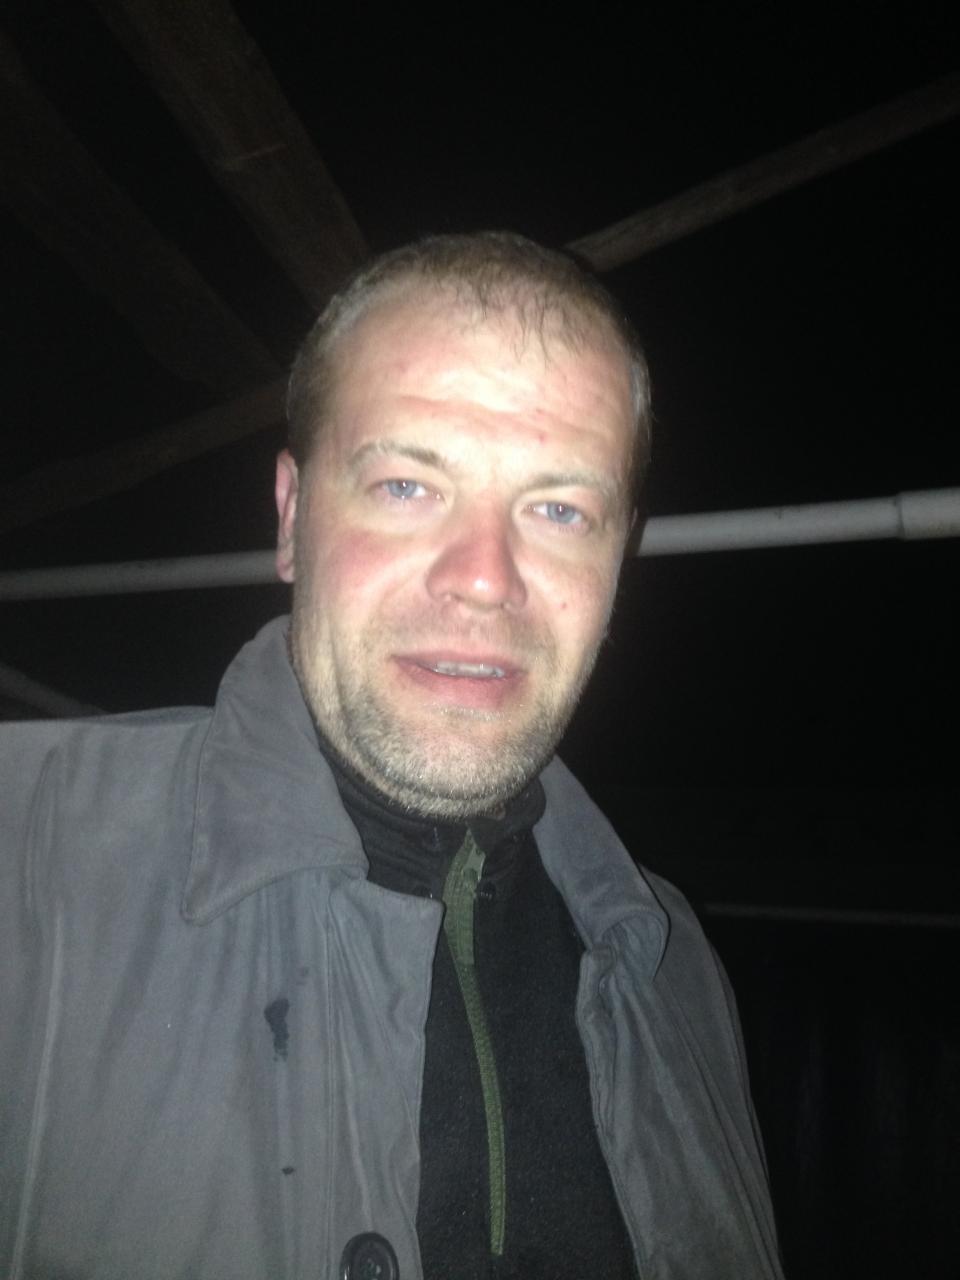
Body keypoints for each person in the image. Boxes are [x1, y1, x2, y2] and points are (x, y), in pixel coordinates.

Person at [0, 232, 782, 1279]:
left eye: (559, 510)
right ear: (292, 518)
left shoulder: (671, 961)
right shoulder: (25, 854)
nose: (485, 577)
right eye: (408, 486)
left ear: (618, 561)